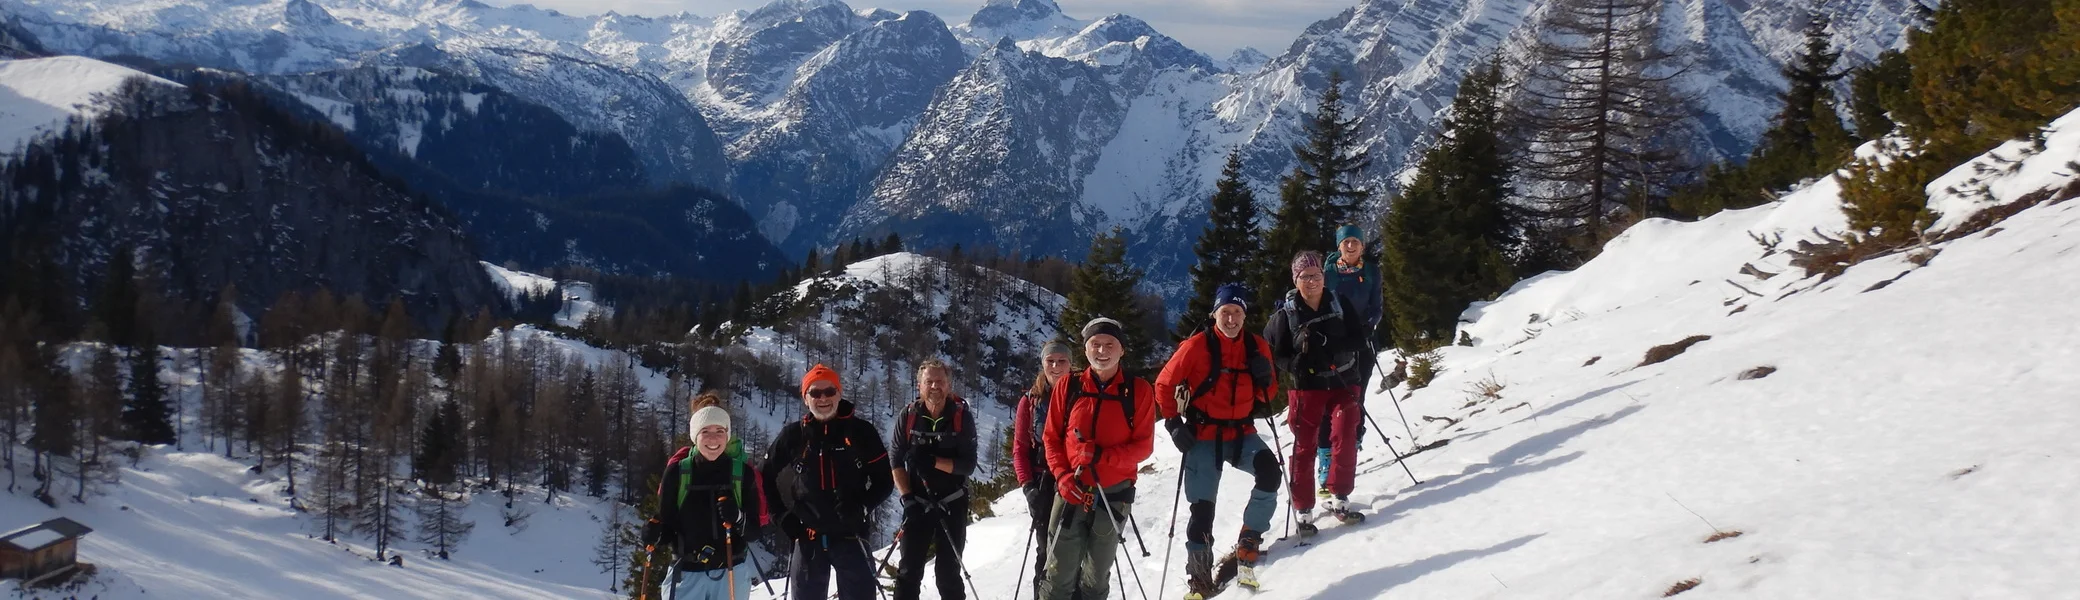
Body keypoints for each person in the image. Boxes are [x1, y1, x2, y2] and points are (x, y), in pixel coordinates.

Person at [1154, 283, 1281, 596]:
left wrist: (1264, 378)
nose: (1232, 319)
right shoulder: (1197, 346)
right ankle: (1199, 577)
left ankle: (1249, 537)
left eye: (1237, 312)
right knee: (1202, 511)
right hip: (1203, 435)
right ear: (1214, 315)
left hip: (1242, 433)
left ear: (1244, 316)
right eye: (1225, 312)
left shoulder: (1256, 347)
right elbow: (1163, 384)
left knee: (1270, 473)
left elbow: (1270, 394)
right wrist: (1172, 423)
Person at [1040, 318, 1156, 600]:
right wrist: (1063, 475)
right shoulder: (1068, 386)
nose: (1102, 351)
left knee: (1096, 576)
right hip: (1071, 492)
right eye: (1095, 344)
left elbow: (1144, 447)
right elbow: (1051, 438)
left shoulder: (1138, 390)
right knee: (1057, 576)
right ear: (1085, 348)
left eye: (1109, 345)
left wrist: (1104, 456)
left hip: (1114, 496)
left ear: (1121, 350)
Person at [763, 364, 894, 600]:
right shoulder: (794, 436)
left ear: (840, 393)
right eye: (815, 393)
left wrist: (863, 506)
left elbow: (884, 480)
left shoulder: (862, 433)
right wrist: (781, 516)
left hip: (852, 535)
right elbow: (764, 476)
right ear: (805, 398)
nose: (823, 398)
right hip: (807, 537)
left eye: (829, 391)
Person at [1265, 251, 1372, 533]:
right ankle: (1303, 508)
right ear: (1295, 280)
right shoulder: (1285, 314)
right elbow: (1276, 354)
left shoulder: (1339, 303)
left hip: (1344, 380)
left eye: (1316, 275)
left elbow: (1360, 339)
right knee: (1304, 447)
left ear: (1324, 277)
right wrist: (1296, 363)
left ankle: (1340, 495)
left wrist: (1334, 345)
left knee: (1346, 437)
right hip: (1307, 387)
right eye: (1305, 277)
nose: (1311, 281)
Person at [644, 392, 769, 600]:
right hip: (686, 573)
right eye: (706, 431)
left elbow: (754, 532)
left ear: (727, 435)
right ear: (695, 435)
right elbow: (667, 528)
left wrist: (737, 517)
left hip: (731, 572)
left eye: (720, 431)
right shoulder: (677, 472)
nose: (713, 438)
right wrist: (653, 533)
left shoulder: (742, 473)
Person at [889, 359, 978, 600]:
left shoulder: (961, 417)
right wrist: (907, 498)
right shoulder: (908, 416)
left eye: (940, 381)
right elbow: (896, 460)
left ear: (949, 385)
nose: (935, 386)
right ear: (919, 385)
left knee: (948, 573)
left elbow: (968, 465)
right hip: (917, 501)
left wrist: (933, 461)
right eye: (929, 381)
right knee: (908, 572)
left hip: (953, 502)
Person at [1316, 225, 1385, 496]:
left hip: (1363, 342)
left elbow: (1377, 306)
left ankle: (1350, 450)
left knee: (1357, 396)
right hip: (1333, 343)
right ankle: (1326, 460)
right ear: (1339, 246)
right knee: (1327, 399)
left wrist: (1367, 326)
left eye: (1356, 241)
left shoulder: (1371, 271)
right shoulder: (1328, 272)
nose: (1351, 246)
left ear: (1363, 246)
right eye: (1346, 242)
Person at [1013, 341, 1076, 597]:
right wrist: (1027, 487)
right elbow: (1019, 449)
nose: (1055, 366)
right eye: (1050, 361)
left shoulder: (1083, 393)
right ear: (1042, 364)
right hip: (1042, 483)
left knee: (1076, 547)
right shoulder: (1030, 402)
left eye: (1062, 361)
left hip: (1075, 479)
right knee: (1045, 549)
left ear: (1071, 364)